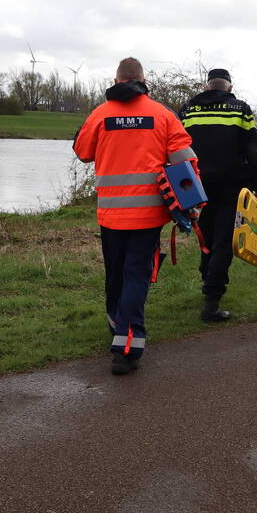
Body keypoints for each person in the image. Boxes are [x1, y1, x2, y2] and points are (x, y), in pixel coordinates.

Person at [73, 58, 197, 375]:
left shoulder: (100, 115)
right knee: (136, 276)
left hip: (111, 215)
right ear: (144, 80)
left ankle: (118, 328)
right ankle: (127, 347)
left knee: (115, 275)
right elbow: (186, 164)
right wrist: (193, 205)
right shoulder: (163, 115)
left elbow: (83, 152)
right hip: (148, 215)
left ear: (116, 79)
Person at [178, 68, 257, 322]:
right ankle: (211, 303)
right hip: (232, 187)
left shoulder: (188, 110)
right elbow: (255, 152)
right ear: (229, 87)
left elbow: (176, 147)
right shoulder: (241, 109)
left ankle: (208, 281)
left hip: (197, 186)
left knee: (205, 236)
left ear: (207, 87)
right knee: (224, 241)